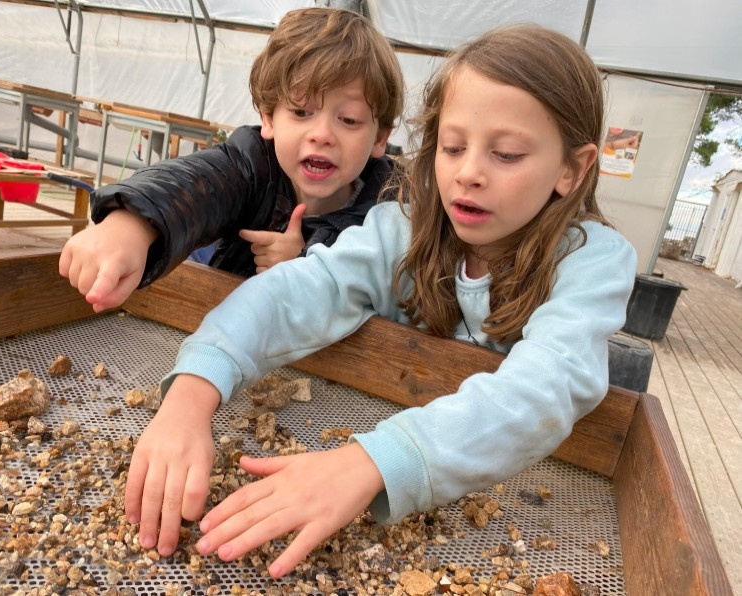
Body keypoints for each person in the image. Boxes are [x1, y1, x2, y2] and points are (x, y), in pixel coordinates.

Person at [125, 24, 638, 578]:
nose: (469, 172)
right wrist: (192, 394)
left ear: (572, 167)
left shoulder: (592, 263)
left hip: (516, 505)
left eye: (507, 154)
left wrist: (370, 461)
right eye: (452, 146)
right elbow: (301, 290)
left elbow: (546, 387)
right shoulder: (402, 230)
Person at [59, 7, 405, 312]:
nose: (323, 134)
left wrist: (304, 265)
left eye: (349, 120)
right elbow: (201, 183)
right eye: (301, 111)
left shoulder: (392, 208)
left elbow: (393, 297)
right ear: (269, 118)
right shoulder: (253, 164)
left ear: (379, 137)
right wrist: (133, 224)